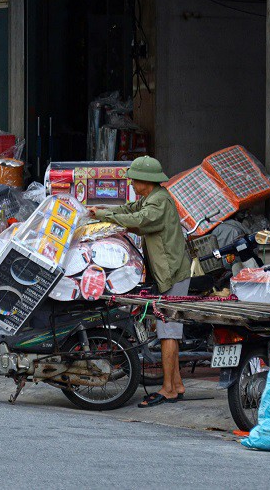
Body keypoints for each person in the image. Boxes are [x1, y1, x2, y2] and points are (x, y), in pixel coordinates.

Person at [88, 156, 191, 408]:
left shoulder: (159, 202)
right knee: (169, 331)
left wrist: (105, 215)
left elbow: (140, 220)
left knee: (168, 333)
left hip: (173, 273)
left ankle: (167, 389)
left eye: (135, 179)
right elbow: (131, 211)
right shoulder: (151, 198)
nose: (132, 183)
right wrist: (102, 211)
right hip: (166, 272)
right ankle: (176, 385)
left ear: (147, 181)